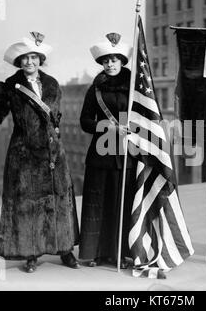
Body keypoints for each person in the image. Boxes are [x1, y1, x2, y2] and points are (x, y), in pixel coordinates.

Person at [0, 32, 80, 273]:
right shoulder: (8, 87)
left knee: (60, 202)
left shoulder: (53, 84)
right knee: (27, 204)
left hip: (54, 154)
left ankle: (65, 249)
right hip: (24, 155)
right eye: (25, 58)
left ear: (40, 59)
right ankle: (30, 253)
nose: (29, 62)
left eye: (34, 57)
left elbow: (56, 118)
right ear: (18, 61)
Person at [78, 32, 135, 269]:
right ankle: (96, 252)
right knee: (98, 202)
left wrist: (134, 129)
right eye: (106, 61)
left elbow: (148, 117)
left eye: (114, 59)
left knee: (122, 202)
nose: (110, 64)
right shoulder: (96, 89)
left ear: (122, 61)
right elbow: (84, 121)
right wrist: (106, 126)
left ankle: (122, 252)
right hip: (101, 154)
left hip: (127, 153)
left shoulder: (135, 87)